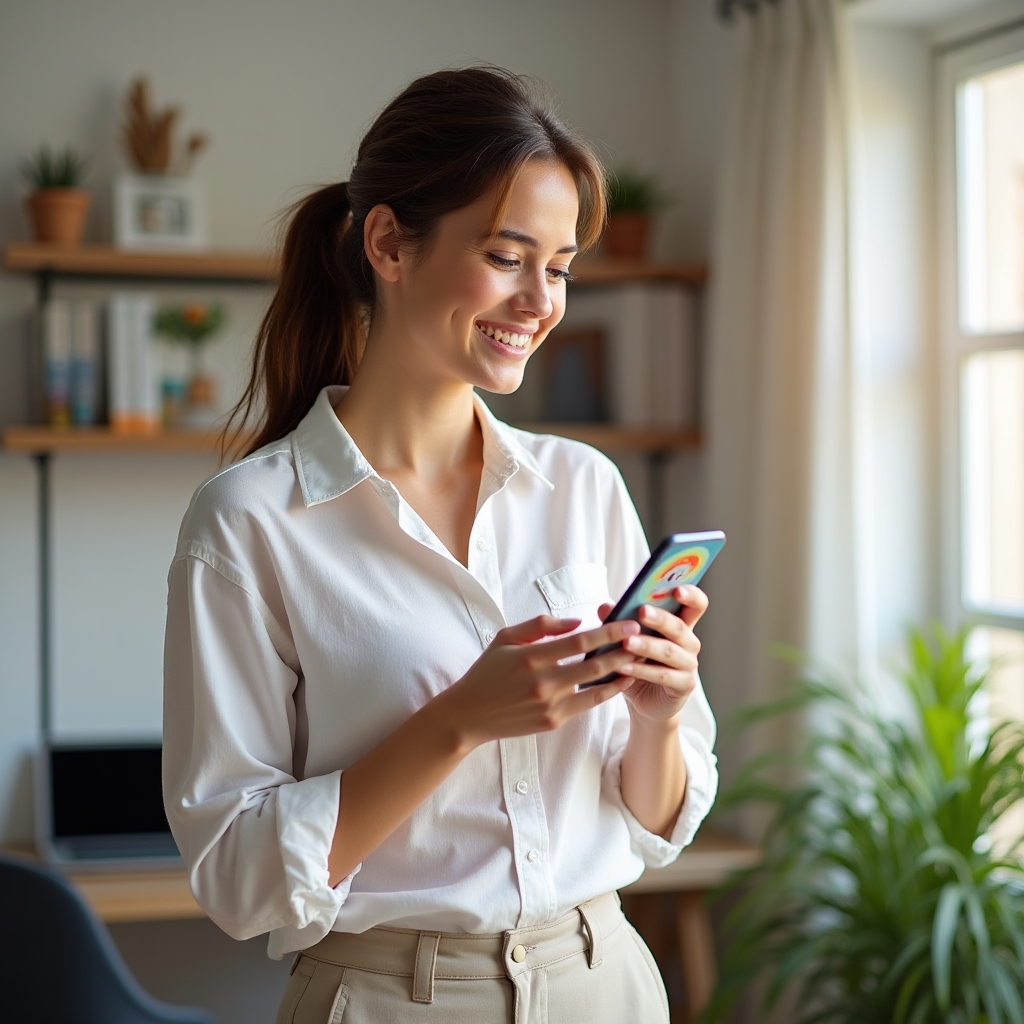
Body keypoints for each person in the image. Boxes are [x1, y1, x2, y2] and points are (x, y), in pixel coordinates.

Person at [162, 67, 717, 1024]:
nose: (541, 300)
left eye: (561, 267)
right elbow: (239, 879)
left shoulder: (584, 487)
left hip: (606, 983)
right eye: (507, 256)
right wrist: (458, 720)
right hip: (386, 999)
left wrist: (662, 715)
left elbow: (658, 823)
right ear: (388, 242)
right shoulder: (248, 524)